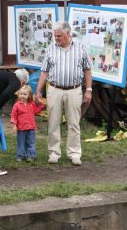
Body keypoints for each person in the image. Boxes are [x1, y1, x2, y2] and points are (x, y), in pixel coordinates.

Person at [35, 21, 93, 166]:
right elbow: (44, 71)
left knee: (74, 123)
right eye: (55, 36)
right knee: (53, 122)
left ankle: (74, 153)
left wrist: (89, 89)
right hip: (54, 89)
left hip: (74, 90)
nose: (56, 38)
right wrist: (38, 90)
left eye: (59, 36)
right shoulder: (50, 49)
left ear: (68, 34)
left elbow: (87, 70)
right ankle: (54, 152)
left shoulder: (81, 48)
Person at [10, 85, 45, 162]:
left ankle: (31, 156)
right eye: (21, 94)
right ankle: (20, 156)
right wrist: (14, 125)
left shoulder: (32, 104)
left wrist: (42, 105)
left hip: (31, 128)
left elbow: (36, 111)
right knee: (21, 143)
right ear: (18, 95)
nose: (22, 96)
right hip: (21, 128)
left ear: (29, 95)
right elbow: (13, 116)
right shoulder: (16, 105)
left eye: (25, 94)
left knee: (31, 142)